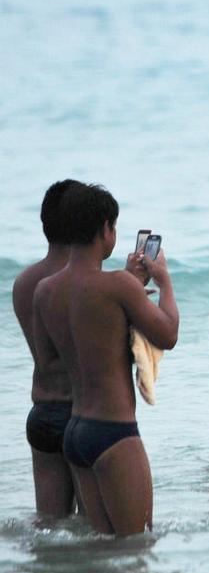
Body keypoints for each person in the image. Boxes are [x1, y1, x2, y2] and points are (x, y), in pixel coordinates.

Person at [31, 184, 179, 535]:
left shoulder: (45, 290)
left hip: (75, 432)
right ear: (105, 229)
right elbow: (168, 334)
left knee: (102, 549)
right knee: (136, 546)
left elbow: (50, 358)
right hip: (114, 432)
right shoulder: (117, 286)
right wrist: (165, 282)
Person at [12, 180, 83, 517]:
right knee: (97, 529)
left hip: (41, 413)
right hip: (83, 415)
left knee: (50, 527)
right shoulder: (85, 282)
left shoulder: (25, 282)